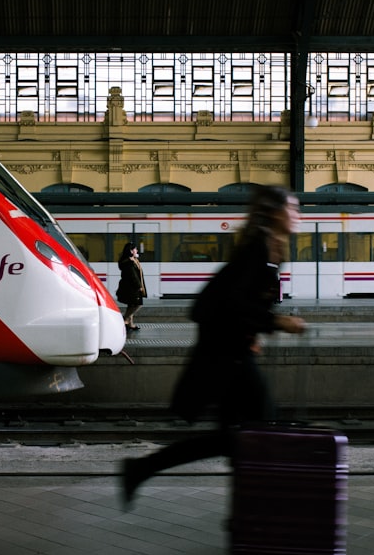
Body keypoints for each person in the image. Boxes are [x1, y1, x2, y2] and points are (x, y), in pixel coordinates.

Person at [120, 185, 306, 508]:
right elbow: (232, 304)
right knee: (262, 428)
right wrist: (276, 322)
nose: (298, 215)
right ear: (276, 213)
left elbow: (237, 303)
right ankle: (259, 509)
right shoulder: (259, 249)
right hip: (227, 358)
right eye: (293, 208)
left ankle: (143, 469)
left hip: (230, 353)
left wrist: (255, 332)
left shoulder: (268, 248)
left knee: (235, 439)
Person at [116, 242, 146, 334]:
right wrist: (139, 286)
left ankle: (130, 324)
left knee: (131, 304)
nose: (137, 250)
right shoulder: (128, 262)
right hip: (132, 287)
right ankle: (125, 319)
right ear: (131, 251)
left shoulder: (133, 260)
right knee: (137, 304)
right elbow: (133, 276)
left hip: (131, 287)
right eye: (135, 249)